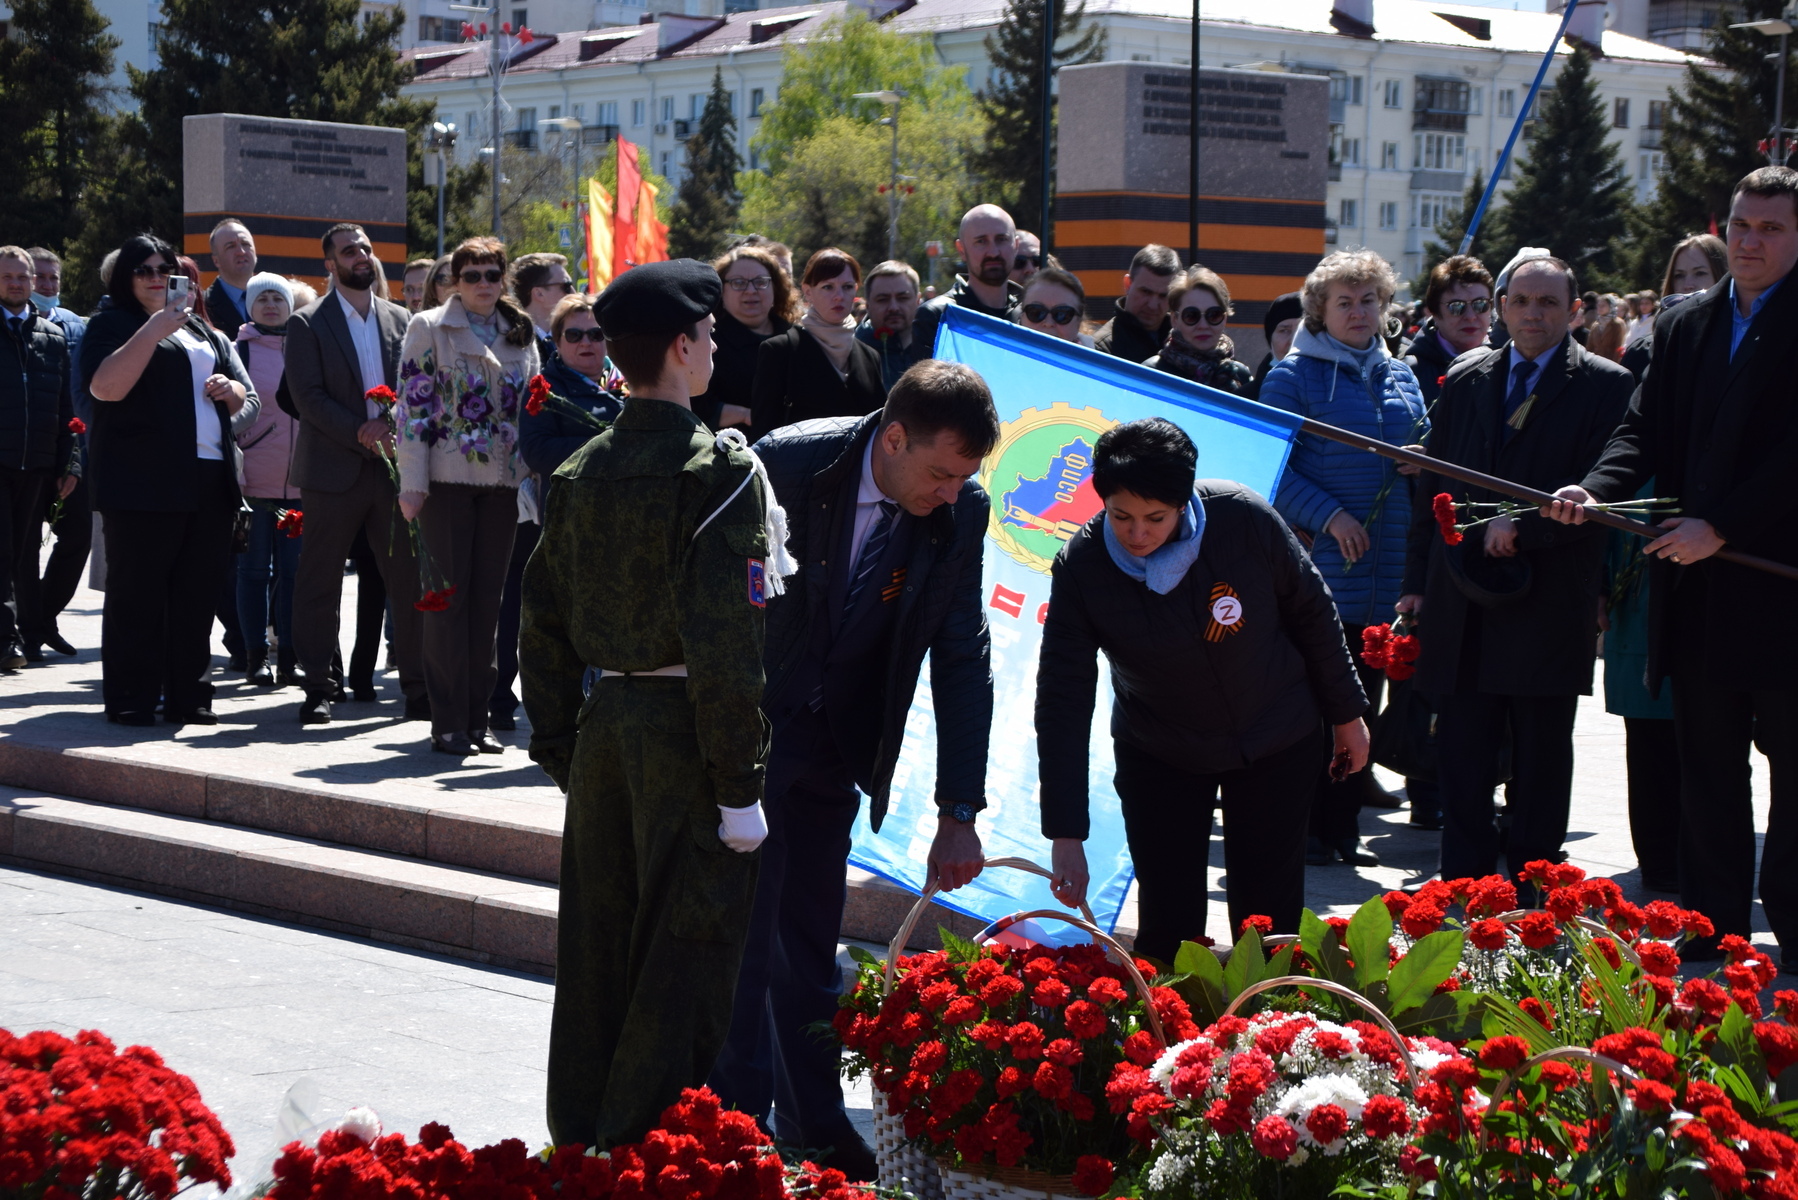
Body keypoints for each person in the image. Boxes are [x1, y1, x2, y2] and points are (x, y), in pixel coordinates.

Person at [710, 359, 996, 1179]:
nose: (950, 493)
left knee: (810, 939)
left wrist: (960, 807)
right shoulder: (786, 464)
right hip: (756, 737)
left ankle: (815, 1122)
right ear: (894, 436)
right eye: (940, 472)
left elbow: (962, 654)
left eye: (963, 478)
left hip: (839, 747)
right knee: (746, 935)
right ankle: (736, 1123)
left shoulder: (957, 510)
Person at [520, 257, 774, 1152]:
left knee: (595, 953)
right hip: (685, 741)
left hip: (605, 733)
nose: (714, 349)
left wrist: (562, 742)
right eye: (706, 337)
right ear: (680, 346)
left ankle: (579, 1139)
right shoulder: (719, 473)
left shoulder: (581, 468)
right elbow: (727, 647)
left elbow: (539, 625)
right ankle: (641, 1156)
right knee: (684, 961)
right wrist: (739, 788)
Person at [1545, 166, 1798, 963]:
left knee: (1794, 776)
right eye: (1740, 225)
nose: (1750, 242)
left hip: (1779, 589)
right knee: (1707, 770)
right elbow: (1641, 431)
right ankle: (1715, 925)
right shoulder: (1686, 324)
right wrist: (1592, 488)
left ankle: (1792, 935)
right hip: (1695, 588)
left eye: (1771, 228)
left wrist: (1720, 524)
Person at [1036, 417, 1369, 956]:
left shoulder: (1242, 517)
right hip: (1160, 749)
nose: (1137, 534)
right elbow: (1062, 698)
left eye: (1155, 518)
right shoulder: (1083, 568)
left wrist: (1347, 716)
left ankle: (1270, 1031)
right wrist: (1066, 833)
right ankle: (1170, 1033)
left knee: (1268, 923)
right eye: (1121, 516)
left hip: (1276, 734)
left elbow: (1312, 610)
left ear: (1185, 500)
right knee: (1169, 926)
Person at [1399, 256, 1632, 901]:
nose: (1534, 314)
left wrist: (1527, 528)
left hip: (1547, 598)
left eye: (1549, 303)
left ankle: (1535, 888)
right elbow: (1436, 490)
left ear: (1574, 310)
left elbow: (1606, 487)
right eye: (1522, 301)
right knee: (1463, 753)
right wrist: (1416, 580)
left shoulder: (1607, 385)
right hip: (1461, 595)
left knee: (1540, 753)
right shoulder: (1469, 376)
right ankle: (1467, 890)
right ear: (1501, 305)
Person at [1259, 249, 1428, 866]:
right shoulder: (1292, 377)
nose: (1360, 313)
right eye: (1346, 302)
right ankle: (1302, 830)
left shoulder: (1401, 376)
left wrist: (1420, 458)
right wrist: (1328, 515)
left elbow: (1424, 448)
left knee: (1364, 703)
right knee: (1313, 708)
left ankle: (1342, 830)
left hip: (1388, 575)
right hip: (1324, 572)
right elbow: (1271, 471)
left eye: (1370, 301)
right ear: (1320, 311)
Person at [83, 234, 258, 723]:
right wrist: (153, 330)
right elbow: (105, 387)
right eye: (144, 269)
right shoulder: (112, 323)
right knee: (136, 596)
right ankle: (132, 698)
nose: (156, 277)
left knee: (196, 596)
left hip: (207, 478)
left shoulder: (200, 329)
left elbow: (243, 397)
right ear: (126, 277)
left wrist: (231, 390)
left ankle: (190, 697)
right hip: (142, 483)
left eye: (164, 269)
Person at [396, 236, 538, 755]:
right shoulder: (429, 327)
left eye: (492, 275)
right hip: (446, 483)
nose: (483, 285)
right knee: (447, 605)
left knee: (489, 605)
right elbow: (411, 408)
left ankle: (478, 723)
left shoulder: (519, 333)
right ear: (455, 281)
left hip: (503, 486)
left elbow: (535, 406)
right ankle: (449, 723)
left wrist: (533, 472)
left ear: (504, 281)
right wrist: (412, 484)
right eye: (472, 275)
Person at [286, 222, 430, 725]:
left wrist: (391, 428)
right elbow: (307, 398)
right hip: (332, 469)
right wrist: (362, 430)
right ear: (330, 265)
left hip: (394, 471)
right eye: (349, 251)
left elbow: (415, 387)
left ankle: (417, 688)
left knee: (408, 581)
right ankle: (319, 686)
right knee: (319, 582)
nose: (361, 256)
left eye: (366, 248)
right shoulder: (307, 323)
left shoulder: (401, 319)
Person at [234, 273, 314, 686]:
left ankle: (288, 656)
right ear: (250, 305)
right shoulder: (237, 351)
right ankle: (253, 656)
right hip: (252, 484)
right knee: (252, 573)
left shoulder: (307, 343)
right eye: (261, 298)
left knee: (294, 574)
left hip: (300, 485)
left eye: (277, 298)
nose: (270, 305)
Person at [0, 247, 77, 671]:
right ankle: (6, 640)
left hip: (38, 462)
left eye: (22, 276)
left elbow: (66, 407)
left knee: (24, 553)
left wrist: (70, 464)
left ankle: (28, 635)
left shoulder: (53, 335)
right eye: (7, 276)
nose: (16, 283)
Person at [15, 248, 90, 661]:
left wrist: (75, 457)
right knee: (24, 547)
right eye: (38, 278)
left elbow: (73, 396)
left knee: (77, 534)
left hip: (68, 450)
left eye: (52, 279)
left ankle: (43, 616)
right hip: (24, 453)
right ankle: (28, 629)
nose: (45, 286)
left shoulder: (74, 325)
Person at [749, 248, 885, 437]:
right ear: (808, 292)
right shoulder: (780, 351)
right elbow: (763, 433)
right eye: (828, 287)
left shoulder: (870, 356)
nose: (839, 296)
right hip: (797, 465)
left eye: (847, 286)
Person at [522, 293, 624, 479]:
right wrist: (608, 446)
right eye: (574, 335)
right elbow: (537, 453)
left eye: (595, 334)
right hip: (571, 501)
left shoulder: (631, 382)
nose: (585, 343)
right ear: (557, 341)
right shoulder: (544, 390)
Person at [698, 245, 793, 432]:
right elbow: (698, 404)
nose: (751, 290)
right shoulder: (708, 341)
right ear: (721, 290)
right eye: (739, 283)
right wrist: (745, 414)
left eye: (760, 282)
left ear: (776, 287)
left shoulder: (796, 337)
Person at [911, 205, 1024, 354]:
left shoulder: (1031, 313)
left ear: (1016, 246)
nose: (993, 252)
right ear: (961, 250)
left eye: (1001, 239)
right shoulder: (939, 316)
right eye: (981, 242)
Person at [1622, 233, 1728, 378]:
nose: (1688, 285)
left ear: (1723, 275)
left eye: (1700, 273)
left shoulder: (1740, 347)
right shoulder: (1643, 352)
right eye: (1679, 275)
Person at [1144, 266, 1254, 393]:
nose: (1203, 325)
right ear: (1175, 319)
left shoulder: (1240, 376)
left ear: (1224, 317)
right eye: (1191, 316)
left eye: (1214, 315)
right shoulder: (1152, 373)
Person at [1403, 255, 1494, 404]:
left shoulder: (1506, 364)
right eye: (1456, 307)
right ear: (1434, 313)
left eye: (1481, 304)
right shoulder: (1410, 373)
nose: (1471, 316)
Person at [1093, 244, 1179, 363]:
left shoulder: (1184, 341)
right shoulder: (1102, 349)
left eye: (1163, 296)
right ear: (1128, 284)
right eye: (1146, 292)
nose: (1153, 305)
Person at [856, 260, 926, 389]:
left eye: (902, 298)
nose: (893, 307)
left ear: (917, 301)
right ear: (868, 306)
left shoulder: (935, 350)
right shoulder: (852, 356)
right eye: (883, 300)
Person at [511, 252, 573, 364]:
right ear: (539, 294)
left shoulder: (576, 336)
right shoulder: (514, 342)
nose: (573, 292)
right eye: (566, 286)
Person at [205, 220, 259, 340]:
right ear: (216, 261)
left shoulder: (278, 299)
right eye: (231, 246)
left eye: (245, 244)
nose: (241, 252)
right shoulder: (203, 308)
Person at [1246, 292, 1301, 399]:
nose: (1293, 341)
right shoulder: (1244, 400)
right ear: (1270, 339)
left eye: (1302, 331)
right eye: (1284, 330)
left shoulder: (1334, 395)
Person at [1014, 266, 1088, 344]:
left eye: (1062, 314)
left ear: (1078, 322)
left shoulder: (1093, 355)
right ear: (1021, 317)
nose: (1048, 323)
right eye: (1036, 312)